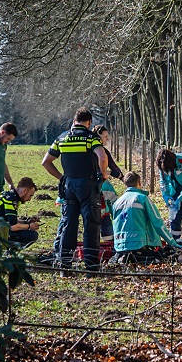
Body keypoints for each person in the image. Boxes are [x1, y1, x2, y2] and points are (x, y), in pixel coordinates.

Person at [42, 107, 109, 271]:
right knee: (91, 225)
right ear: (89, 122)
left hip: (69, 186)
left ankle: (65, 265)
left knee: (68, 225)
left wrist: (62, 177)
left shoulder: (62, 139)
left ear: (74, 121)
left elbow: (46, 162)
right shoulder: (91, 138)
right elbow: (102, 157)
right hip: (87, 185)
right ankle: (91, 267)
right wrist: (104, 174)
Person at [112, 171, 181, 263]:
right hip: (140, 244)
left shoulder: (117, 202)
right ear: (139, 183)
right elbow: (158, 223)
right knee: (163, 256)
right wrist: (172, 243)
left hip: (119, 246)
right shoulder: (142, 198)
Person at [93, 125, 123, 242]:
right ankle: (109, 242)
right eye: (105, 137)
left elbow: (114, 169)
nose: (107, 139)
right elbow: (112, 168)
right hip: (100, 186)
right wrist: (108, 173)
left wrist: (122, 177)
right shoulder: (101, 151)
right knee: (108, 210)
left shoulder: (90, 149)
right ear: (98, 136)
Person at [0, 177, 40, 247]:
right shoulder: (11, 200)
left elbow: (11, 221)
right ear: (25, 190)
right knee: (32, 235)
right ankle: (8, 253)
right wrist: (30, 226)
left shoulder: (8, 196)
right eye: (30, 195)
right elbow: (13, 227)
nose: (29, 199)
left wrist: (26, 222)